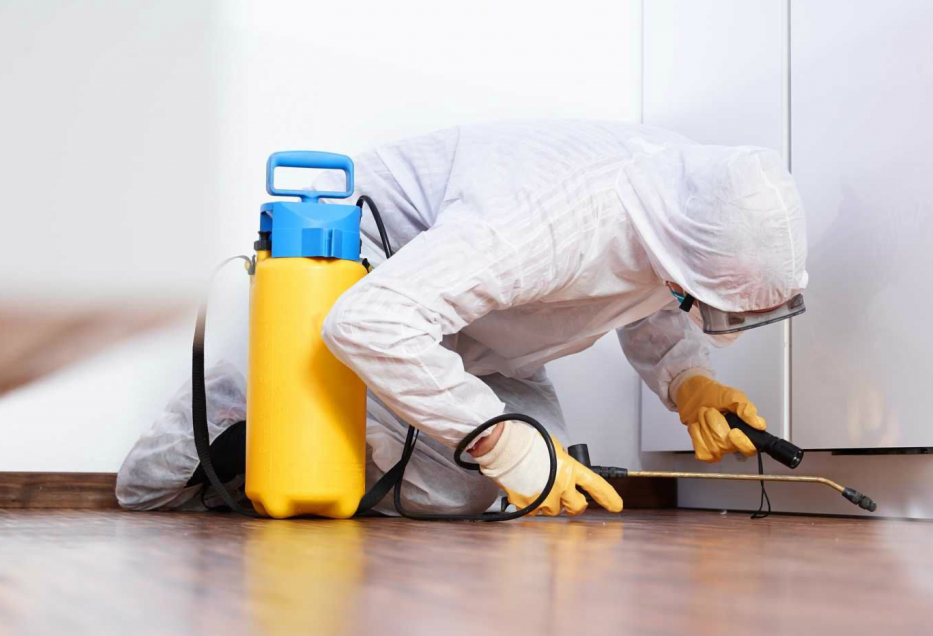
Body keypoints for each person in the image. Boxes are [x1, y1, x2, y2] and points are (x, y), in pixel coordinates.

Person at [117, 120, 807, 516]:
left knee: (525, 480)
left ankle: (336, 434)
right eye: (697, 300)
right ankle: (253, 412)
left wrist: (686, 379)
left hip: (481, 317)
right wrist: (501, 444)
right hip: (371, 281)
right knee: (484, 475)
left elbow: (648, 283)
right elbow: (370, 322)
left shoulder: (682, 200)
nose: (690, 308)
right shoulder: (548, 219)